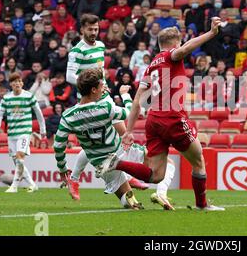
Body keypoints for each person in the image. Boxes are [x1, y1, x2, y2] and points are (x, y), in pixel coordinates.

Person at [65, 14, 175, 207]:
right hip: (88, 99)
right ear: (82, 29)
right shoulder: (76, 51)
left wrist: (102, 83)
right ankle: (76, 178)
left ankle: (87, 176)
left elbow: (99, 71)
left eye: (96, 29)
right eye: (90, 29)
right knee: (117, 135)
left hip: (103, 95)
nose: (93, 32)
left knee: (111, 139)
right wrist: (92, 83)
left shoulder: (100, 46)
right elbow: (69, 76)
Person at [119, 19, 225, 211]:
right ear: (175, 43)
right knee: (198, 160)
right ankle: (202, 205)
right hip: (173, 118)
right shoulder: (171, 55)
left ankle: (118, 164)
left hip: (153, 120)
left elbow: (137, 102)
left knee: (156, 175)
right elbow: (184, 50)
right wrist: (211, 33)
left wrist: (129, 131)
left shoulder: (151, 66)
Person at [53, 68, 145, 210]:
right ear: (94, 90)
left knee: (129, 201)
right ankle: (161, 192)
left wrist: (62, 168)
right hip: (121, 153)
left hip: (101, 164)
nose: (104, 90)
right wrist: (125, 95)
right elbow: (130, 112)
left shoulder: (68, 116)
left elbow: (58, 146)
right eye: (102, 86)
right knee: (166, 165)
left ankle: (127, 178)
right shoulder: (105, 107)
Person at [0, 72, 46, 193]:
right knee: (17, 161)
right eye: (14, 81)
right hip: (12, 134)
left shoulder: (29, 96)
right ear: (11, 84)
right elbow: (0, 114)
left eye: (18, 81)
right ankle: (32, 184)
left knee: (20, 157)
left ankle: (14, 186)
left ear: (22, 83)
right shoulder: (6, 98)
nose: (16, 83)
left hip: (24, 132)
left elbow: (38, 113)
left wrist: (43, 129)